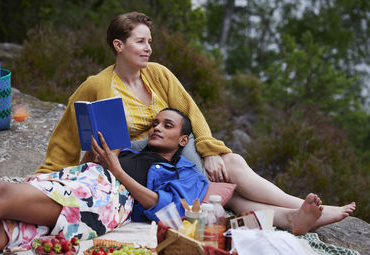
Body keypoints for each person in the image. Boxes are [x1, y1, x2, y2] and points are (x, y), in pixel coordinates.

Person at [36, 12, 355, 234]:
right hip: (142, 165)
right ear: (119, 46)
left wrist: (210, 148)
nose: (149, 48)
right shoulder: (98, 84)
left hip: (173, 150)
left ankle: (294, 215)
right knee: (222, 189)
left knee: (229, 170)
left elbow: (192, 111)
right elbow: (67, 131)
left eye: (150, 42)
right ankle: (301, 213)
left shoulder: (157, 74)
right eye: (140, 42)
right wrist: (49, 175)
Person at [0, 109, 208, 255]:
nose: (157, 128)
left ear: (183, 140)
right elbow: (85, 170)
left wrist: (118, 171)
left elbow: (169, 209)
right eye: (155, 123)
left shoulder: (188, 174)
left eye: (167, 126)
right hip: (81, 181)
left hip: (109, 199)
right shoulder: (127, 151)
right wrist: (91, 151)